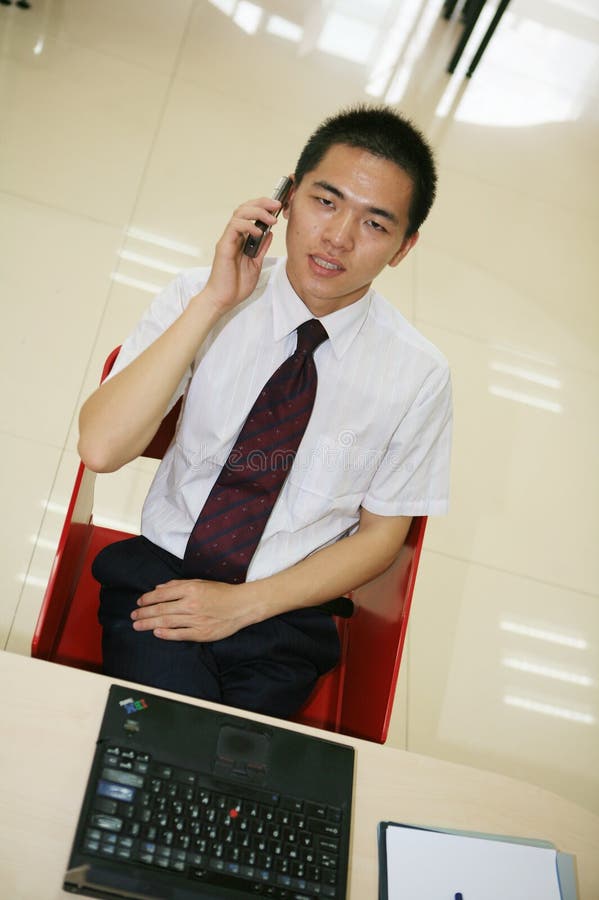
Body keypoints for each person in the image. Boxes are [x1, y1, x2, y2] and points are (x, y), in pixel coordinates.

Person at [78, 104, 453, 718]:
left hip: (285, 611)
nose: (338, 237)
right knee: (176, 742)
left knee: (234, 774)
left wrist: (243, 605)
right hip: (161, 577)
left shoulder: (418, 375)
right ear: (286, 198)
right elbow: (100, 448)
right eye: (325, 202)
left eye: (375, 224)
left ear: (404, 248)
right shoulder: (200, 296)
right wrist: (213, 303)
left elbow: (383, 536)